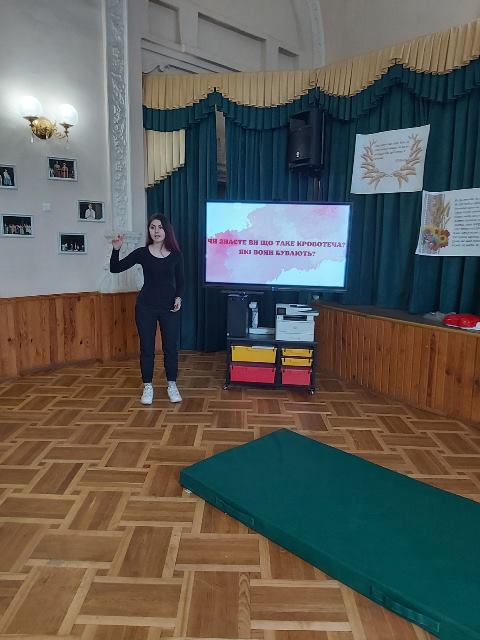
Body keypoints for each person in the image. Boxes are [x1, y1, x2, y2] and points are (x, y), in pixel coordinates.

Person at [110, 214, 184, 404]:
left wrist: (178, 297)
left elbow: (181, 281)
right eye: (152, 227)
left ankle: (172, 385)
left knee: (170, 348)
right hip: (145, 307)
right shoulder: (142, 253)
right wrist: (116, 249)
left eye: (160, 227)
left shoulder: (176, 254)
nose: (156, 231)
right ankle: (148, 387)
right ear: (149, 230)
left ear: (166, 230)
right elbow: (115, 268)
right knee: (147, 349)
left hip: (169, 308)